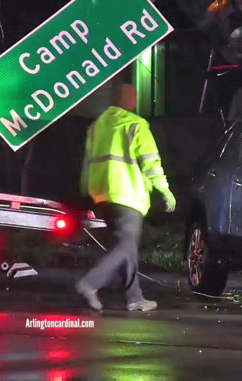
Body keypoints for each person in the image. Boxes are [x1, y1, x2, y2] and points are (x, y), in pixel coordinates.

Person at [75, 83, 176, 312]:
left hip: (102, 195)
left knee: (125, 247)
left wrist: (84, 194)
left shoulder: (97, 126)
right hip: (128, 194)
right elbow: (150, 162)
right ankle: (90, 283)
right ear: (131, 101)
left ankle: (134, 297)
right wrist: (164, 189)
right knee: (126, 244)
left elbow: (86, 164)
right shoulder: (136, 125)